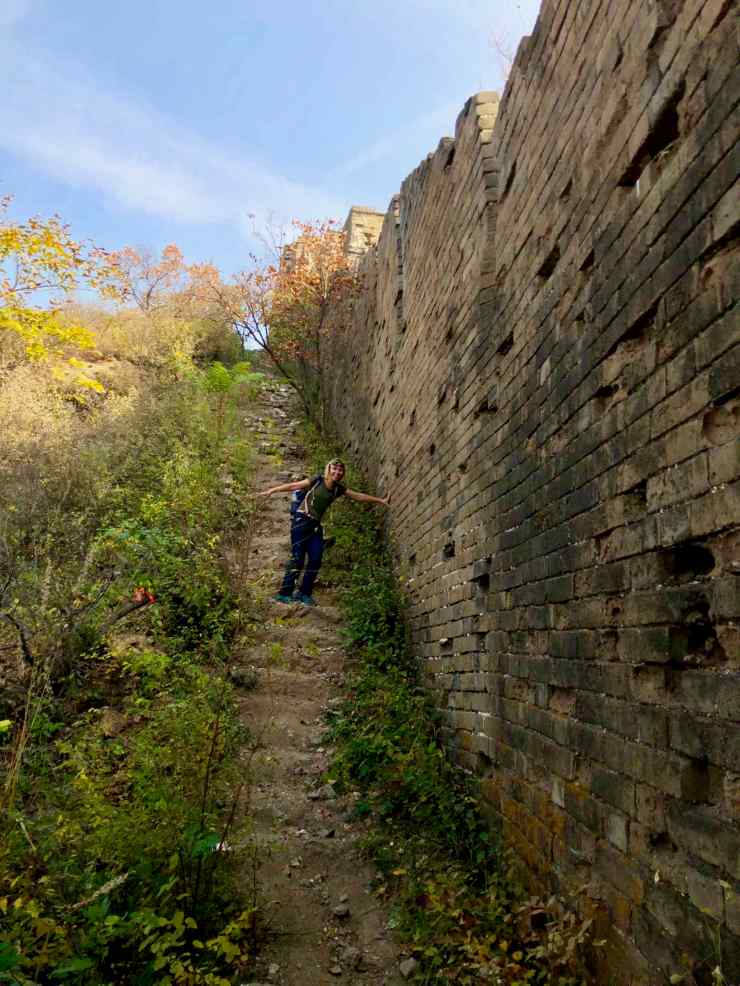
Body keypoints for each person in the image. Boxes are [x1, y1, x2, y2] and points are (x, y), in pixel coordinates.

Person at [256, 459, 390, 606]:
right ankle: (284, 594)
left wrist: (380, 501)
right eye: (334, 469)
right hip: (301, 521)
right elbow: (295, 486)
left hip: (315, 526)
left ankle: (303, 593)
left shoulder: (338, 489)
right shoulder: (317, 480)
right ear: (328, 469)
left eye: (340, 470)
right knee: (298, 558)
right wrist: (273, 490)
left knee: (316, 558)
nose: (337, 472)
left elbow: (358, 496)